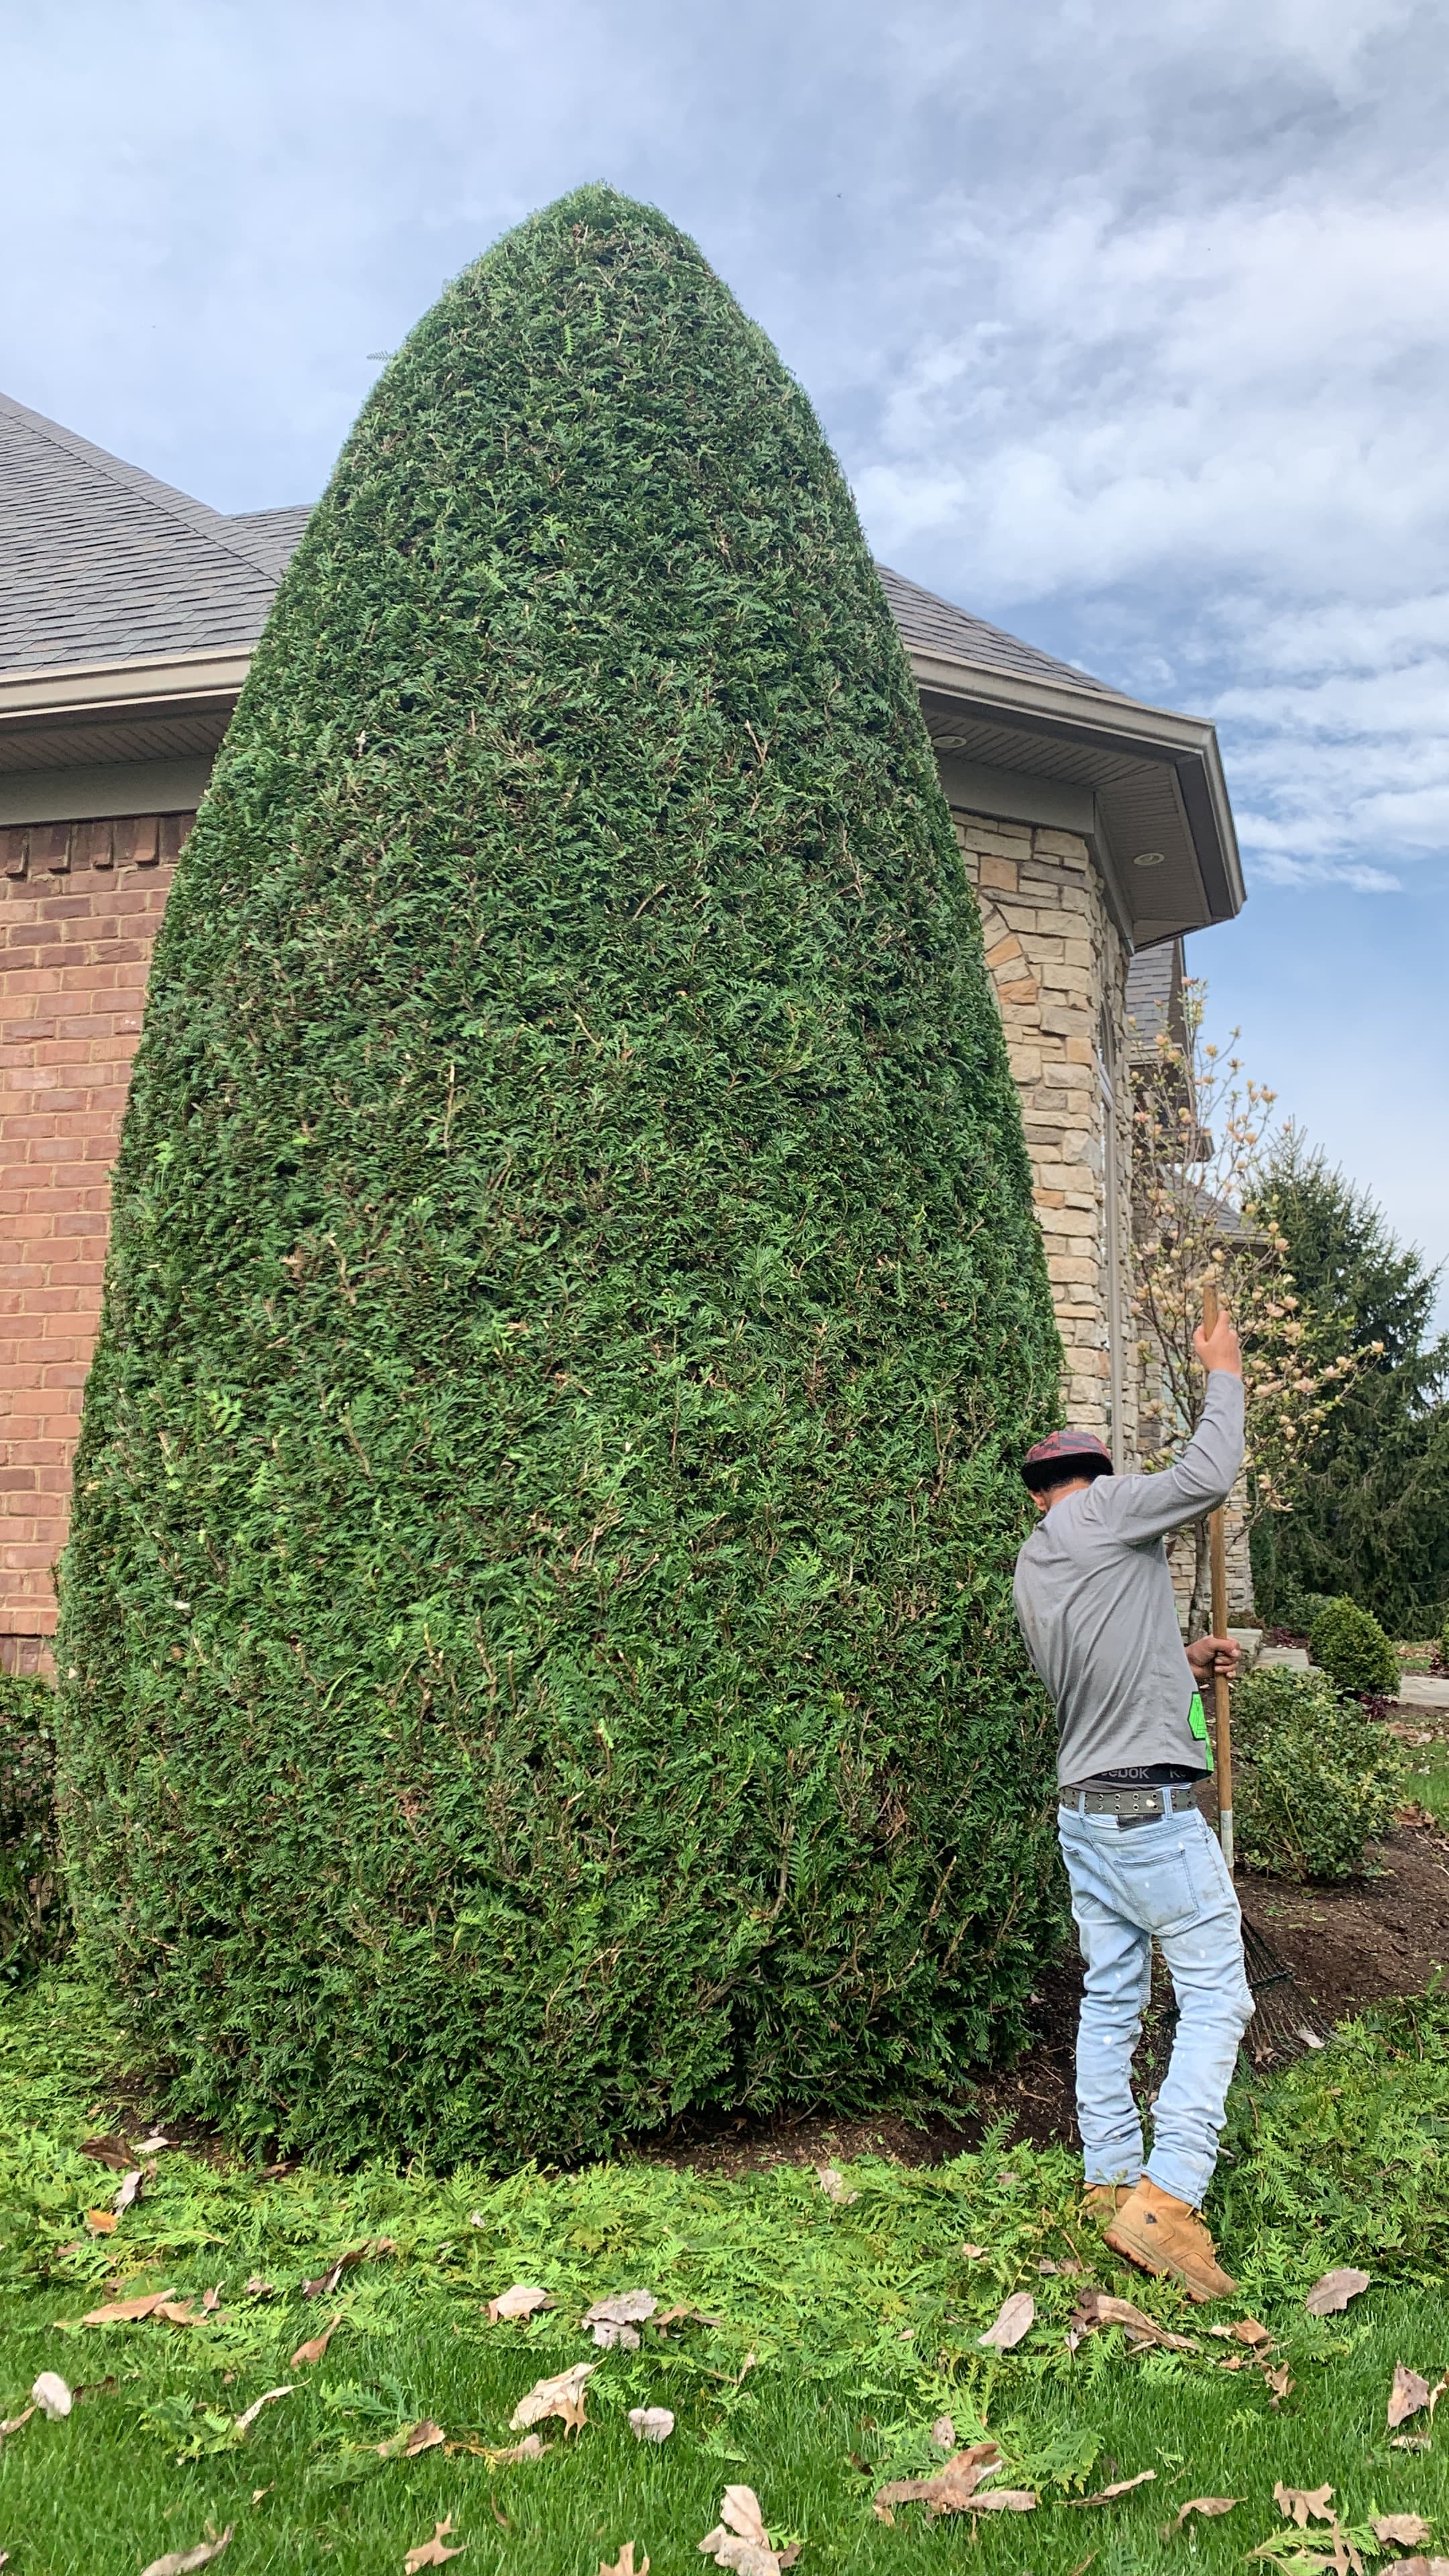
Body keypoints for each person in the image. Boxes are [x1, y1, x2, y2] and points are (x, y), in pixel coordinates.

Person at [1012, 1305, 1254, 2302]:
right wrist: (1223, 1372)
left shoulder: (1036, 1565)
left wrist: (1185, 1660)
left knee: (1113, 1992)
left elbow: (1102, 1680)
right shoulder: (1108, 1510)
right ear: (1096, 1482)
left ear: (1039, 1496)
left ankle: (1107, 2177)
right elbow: (1208, 1474)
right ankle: (1168, 2201)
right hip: (1145, 1814)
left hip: (1084, 1807)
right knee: (1219, 1995)